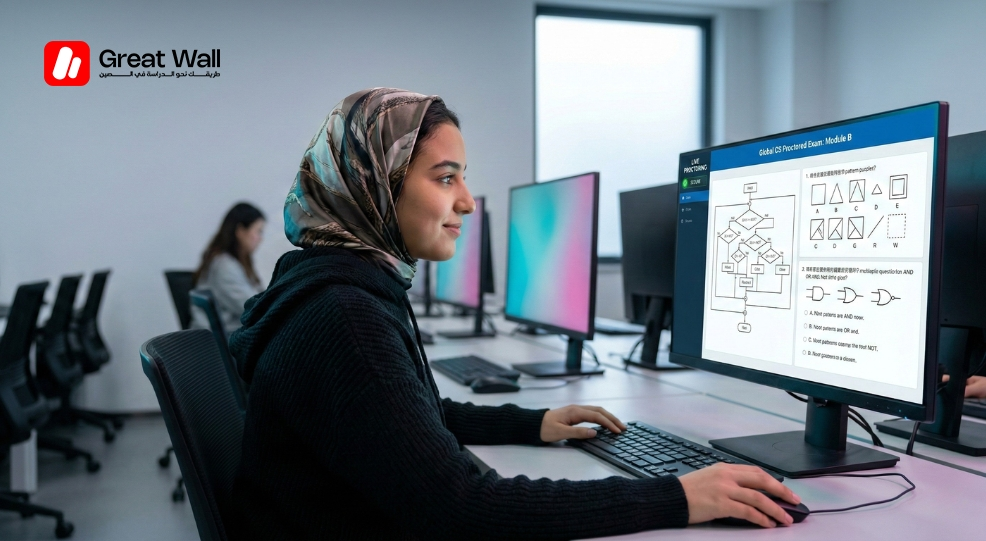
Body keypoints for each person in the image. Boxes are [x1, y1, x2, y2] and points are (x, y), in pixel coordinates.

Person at [228, 88, 801, 540]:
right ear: (376, 184)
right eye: (445, 177)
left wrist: (531, 424)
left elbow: (408, 415)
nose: (468, 201)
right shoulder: (344, 314)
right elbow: (463, 511)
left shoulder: (335, 283)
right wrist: (679, 497)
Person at [191, 202, 266, 332]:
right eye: (258, 231)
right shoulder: (224, 266)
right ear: (240, 231)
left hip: (222, 337)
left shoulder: (228, 262)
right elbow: (253, 308)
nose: (260, 239)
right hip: (215, 342)